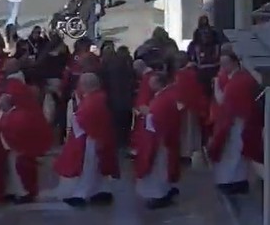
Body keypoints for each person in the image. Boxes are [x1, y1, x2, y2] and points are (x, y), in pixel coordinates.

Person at [53, 73, 119, 207]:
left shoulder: (92, 101)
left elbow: (84, 118)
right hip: (96, 138)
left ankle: (81, 195)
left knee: (88, 168)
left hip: (89, 140)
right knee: (96, 168)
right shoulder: (98, 98)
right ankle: (99, 191)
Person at [208, 51, 263, 195]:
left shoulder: (240, 80)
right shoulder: (236, 78)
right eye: (222, 64)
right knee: (234, 154)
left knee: (235, 154)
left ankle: (234, 182)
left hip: (238, 123)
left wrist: (216, 85)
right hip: (235, 122)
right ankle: (235, 181)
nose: (223, 66)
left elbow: (225, 101)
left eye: (226, 63)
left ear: (234, 62)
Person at [133, 72, 181, 209]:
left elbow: (157, 119)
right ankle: (164, 190)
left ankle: (159, 195)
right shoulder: (165, 95)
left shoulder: (163, 99)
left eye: (152, 82)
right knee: (162, 167)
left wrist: (147, 113)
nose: (149, 85)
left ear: (159, 83)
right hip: (164, 139)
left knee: (158, 168)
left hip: (160, 141)